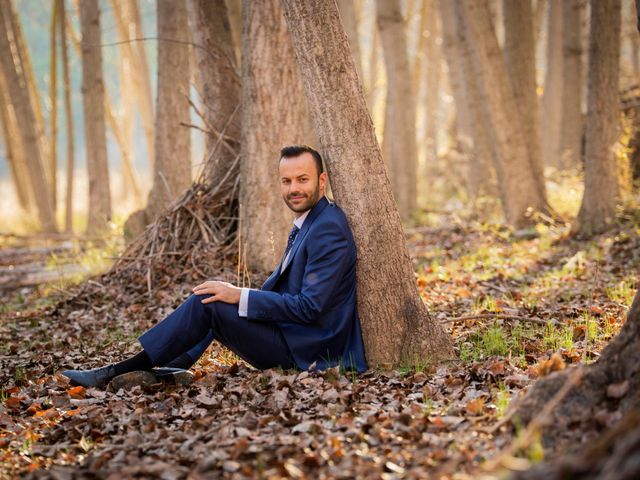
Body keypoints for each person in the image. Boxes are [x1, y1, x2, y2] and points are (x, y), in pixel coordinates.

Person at [63, 145, 368, 388]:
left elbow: (310, 307)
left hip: (312, 352)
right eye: (286, 181)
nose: (294, 189)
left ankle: (120, 370)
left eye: (303, 179)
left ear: (322, 180)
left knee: (208, 301)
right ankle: (175, 365)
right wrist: (237, 295)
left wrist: (241, 295)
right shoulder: (312, 220)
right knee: (214, 295)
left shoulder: (328, 228)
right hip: (295, 337)